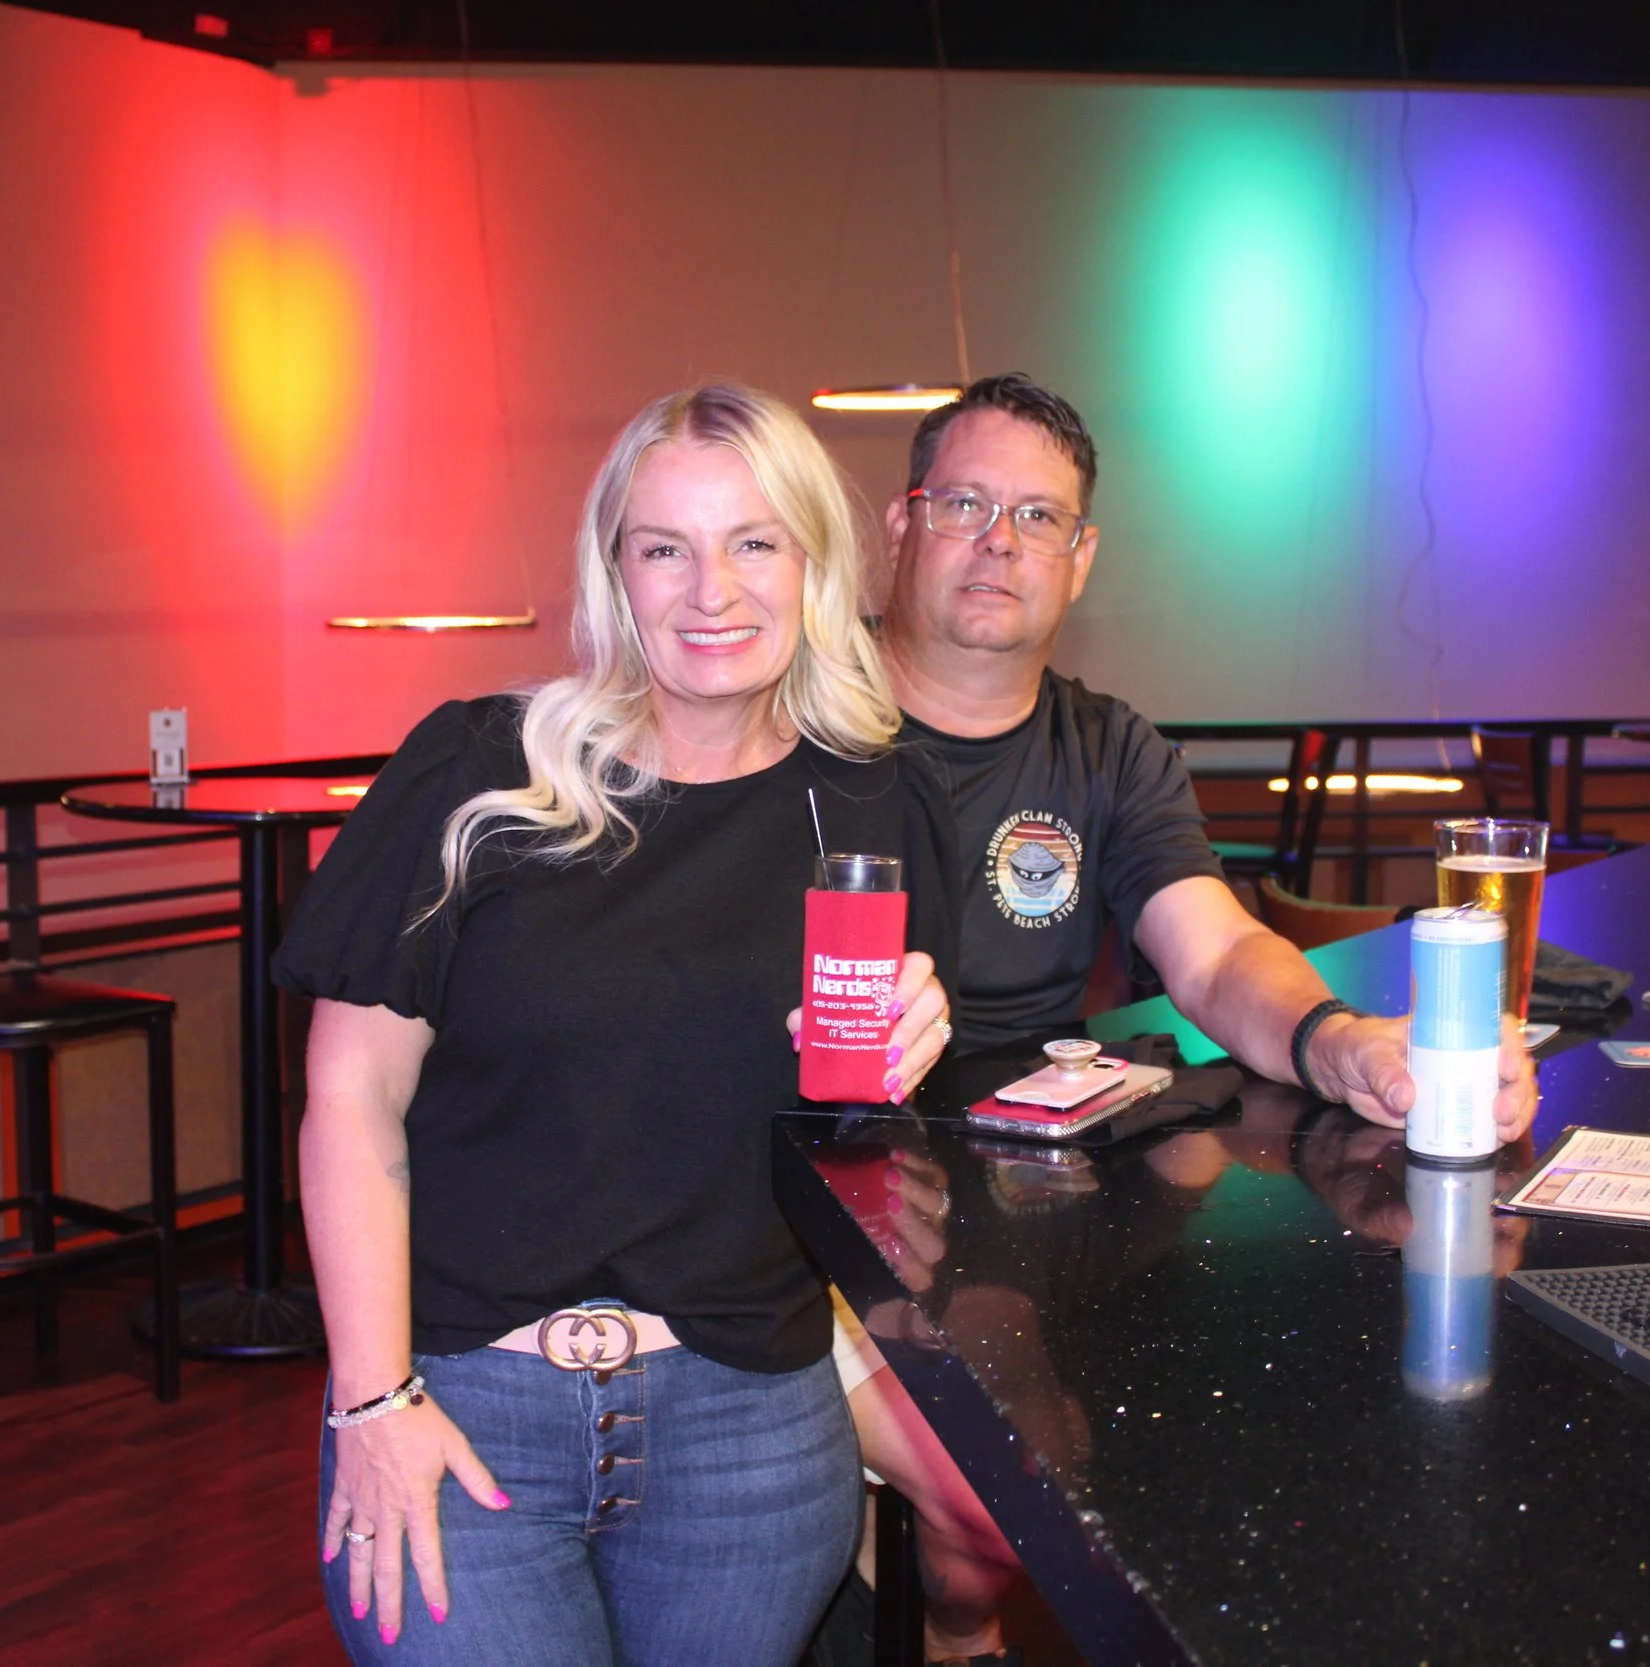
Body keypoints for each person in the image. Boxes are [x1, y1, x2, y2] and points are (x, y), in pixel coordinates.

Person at [836, 374, 1539, 1664]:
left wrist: (1343, 1040)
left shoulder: (1108, 748)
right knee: (1002, 1483)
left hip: (1011, 1195)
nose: (1001, 541)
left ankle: (942, 1590)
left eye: (1038, 517)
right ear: (902, 521)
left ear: (1081, 556)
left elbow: (1214, 952)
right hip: (817, 1193)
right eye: (968, 504)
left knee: (1170, 1437)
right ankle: (938, 1595)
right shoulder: (799, 722)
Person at [272, 382, 963, 1667]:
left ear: (814, 559)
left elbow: (840, 1125)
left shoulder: (871, 803)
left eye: (755, 541)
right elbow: (349, 1096)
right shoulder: (478, 772)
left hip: (745, 1421)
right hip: (463, 1400)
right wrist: (370, 1397)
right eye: (666, 547)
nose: (712, 588)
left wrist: (901, 1057)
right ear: (614, 571)